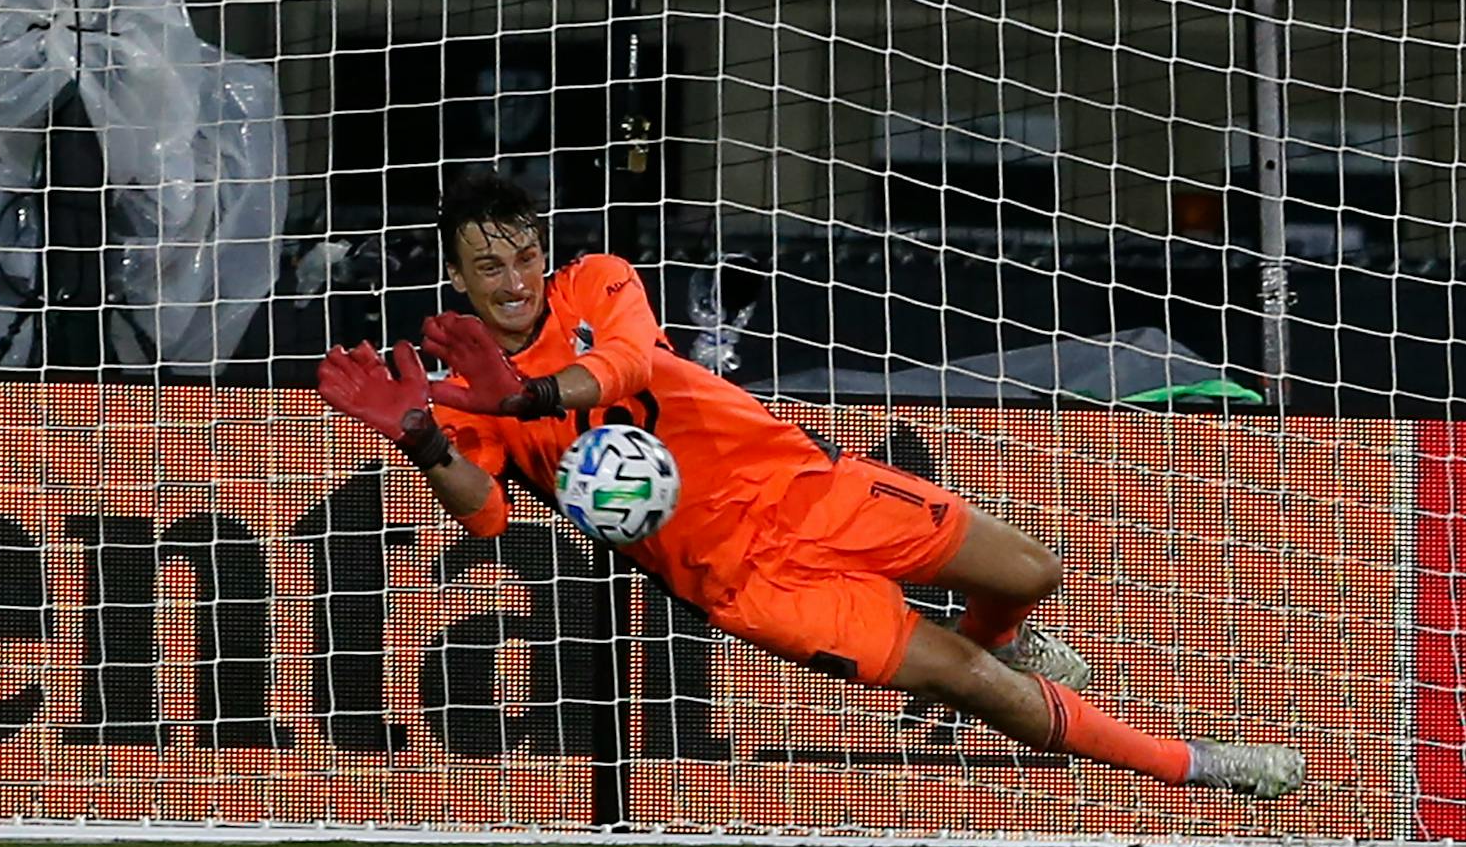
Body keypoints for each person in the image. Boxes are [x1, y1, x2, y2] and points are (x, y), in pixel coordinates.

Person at [315, 171, 1306, 797]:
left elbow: (621, 369)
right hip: (746, 580)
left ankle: (1001, 627)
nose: (515, 277)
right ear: (456, 279)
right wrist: (419, 438)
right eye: (488, 265)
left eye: (524, 251)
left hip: (809, 488)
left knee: (1032, 570)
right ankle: (1202, 767)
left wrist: (526, 391)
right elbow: (485, 513)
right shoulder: (453, 394)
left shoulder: (599, 281)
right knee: (970, 686)